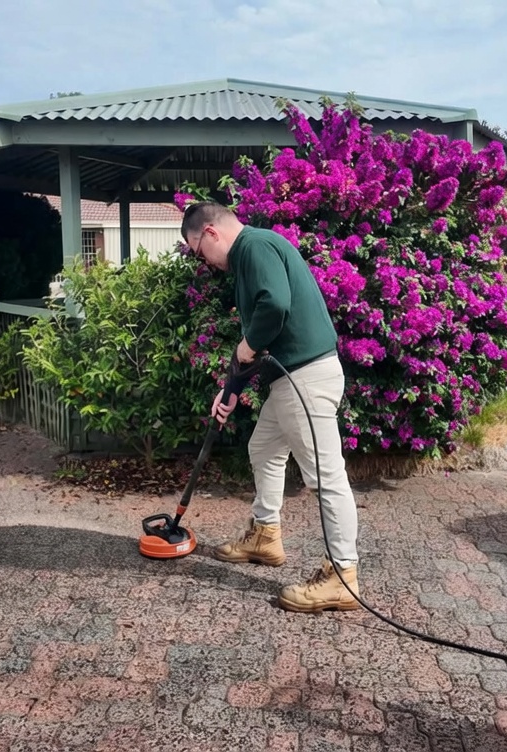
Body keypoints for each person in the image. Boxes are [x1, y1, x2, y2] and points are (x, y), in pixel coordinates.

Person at [180, 201, 362, 613]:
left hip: (306, 380)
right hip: (289, 382)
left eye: (197, 251)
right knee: (263, 449)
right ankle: (265, 535)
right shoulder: (251, 255)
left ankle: (342, 576)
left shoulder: (253, 247)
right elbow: (253, 347)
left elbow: (273, 308)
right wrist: (230, 390)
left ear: (210, 233)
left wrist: (245, 345)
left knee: (326, 478)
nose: (202, 261)